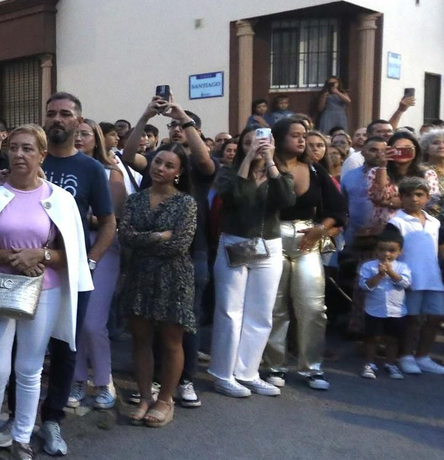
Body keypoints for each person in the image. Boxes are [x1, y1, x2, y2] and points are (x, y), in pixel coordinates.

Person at [0, 125, 87, 460]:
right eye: (15, 148)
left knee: (30, 369)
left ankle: (22, 441)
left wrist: (42, 255)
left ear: (42, 155)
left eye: (28, 149)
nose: (19, 155)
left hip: (43, 291)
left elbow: (70, 254)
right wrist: (11, 257)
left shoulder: (61, 199)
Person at [35, 92, 108, 456]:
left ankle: (52, 418)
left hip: (71, 273)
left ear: (79, 122)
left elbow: (108, 223)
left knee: (65, 348)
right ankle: (17, 417)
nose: (57, 119)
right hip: (28, 270)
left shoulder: (91, 169)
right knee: (23, 347)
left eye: (65, 114)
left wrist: (89, 262)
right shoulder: (29, 159)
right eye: (51, 113)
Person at [209, 125, 296, 397]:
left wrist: (270, 161)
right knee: (230, 310)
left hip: (269, 245)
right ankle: (223, 373)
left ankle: (248, 372)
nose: (255, 146)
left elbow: (287, 200)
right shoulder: (228, 172)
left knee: (261, 311)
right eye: (248, 143)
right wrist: (247, 160)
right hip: (234, 243)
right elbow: (233, 196)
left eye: (261, 142)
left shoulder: (280, 174)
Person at [116, 144, 198, 426]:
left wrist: (145, 238)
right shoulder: (135, 200)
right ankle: (144, 397)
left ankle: (165, 400)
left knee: (171, 340)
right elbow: (125, 236)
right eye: (158, 162)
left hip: (174, 277)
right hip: (139, 274)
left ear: (179, 172)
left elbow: (179, 244)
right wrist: (159, 235)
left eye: (169, 165)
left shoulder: (186, 203)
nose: (160, 168)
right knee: (140, 339)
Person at [264, 118, 345, 391]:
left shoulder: (315, 169)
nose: (302, 140)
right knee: (275, 307)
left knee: (313, 307)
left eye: (304, 135)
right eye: (295, 135)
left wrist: (321, 228)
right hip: (272, 238)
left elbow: (338, 209)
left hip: (307, 240)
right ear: (279, 138)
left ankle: (312, 367)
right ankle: (274, 365)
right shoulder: (264, 166)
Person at [70, 117, 128, 409]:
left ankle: (104, 380)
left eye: (85, 134)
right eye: (75, 134)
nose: (79, 138)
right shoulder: (65, 168)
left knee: (93, 322)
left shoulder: (110, 172)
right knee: (75, 320)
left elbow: (111, 218)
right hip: (69, 247)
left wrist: (78, 215)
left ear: (97, 139)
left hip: (102, 248)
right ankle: (78, 377)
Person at [387, 178, 444, 374]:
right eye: (408, 195)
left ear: (427, 197)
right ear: (401, 198)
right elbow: (389, 250)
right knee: (412, 319)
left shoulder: (434, 222)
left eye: (419, 195)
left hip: (433, 278)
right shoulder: (396, 222)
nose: (414, 199)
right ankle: (406, 356)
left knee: (435, 317)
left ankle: (423, 356)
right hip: (409, 278)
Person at [357, 227, 412, 379]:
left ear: (400, 252)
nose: (386, 254)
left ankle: (391, 364)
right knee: (372, 338)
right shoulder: (369, 266)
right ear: (376, 250)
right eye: (382, 250)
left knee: (392, 339)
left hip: (396, 311)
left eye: (392, 250)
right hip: (374, 310)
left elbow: (405, 283)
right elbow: (365, 286)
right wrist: (380, 275)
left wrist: (391, 272)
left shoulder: (402, 267)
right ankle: (369, 363)